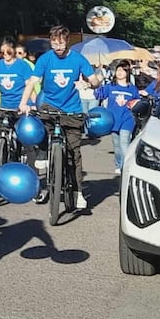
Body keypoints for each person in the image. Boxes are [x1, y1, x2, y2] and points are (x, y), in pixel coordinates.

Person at [19, 25, 101, 209]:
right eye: (54, 43)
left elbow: (96, 81)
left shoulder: (78, 59)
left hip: (72, 109)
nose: (58, 46)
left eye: (61, 42)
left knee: (74, 154)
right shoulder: (45, 59)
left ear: (67, 41)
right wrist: (23, 103)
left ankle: (78, 192)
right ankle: (43, 151)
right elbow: (32, 81)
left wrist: (87, 84)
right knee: (41, 124)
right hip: (49, 104)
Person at [93, 60, 139, 175]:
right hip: (113, 119)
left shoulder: (132, 89)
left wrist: (133, 103)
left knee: (124, 142)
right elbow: (98, 94)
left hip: (127, 119)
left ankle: (127, 167)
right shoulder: (110, 86)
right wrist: (98, 82)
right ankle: (119, 164)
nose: (120, 72)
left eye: (123, 70)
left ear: (127, 73)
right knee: (117, 146)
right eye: (118, 70)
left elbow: (137, 101)